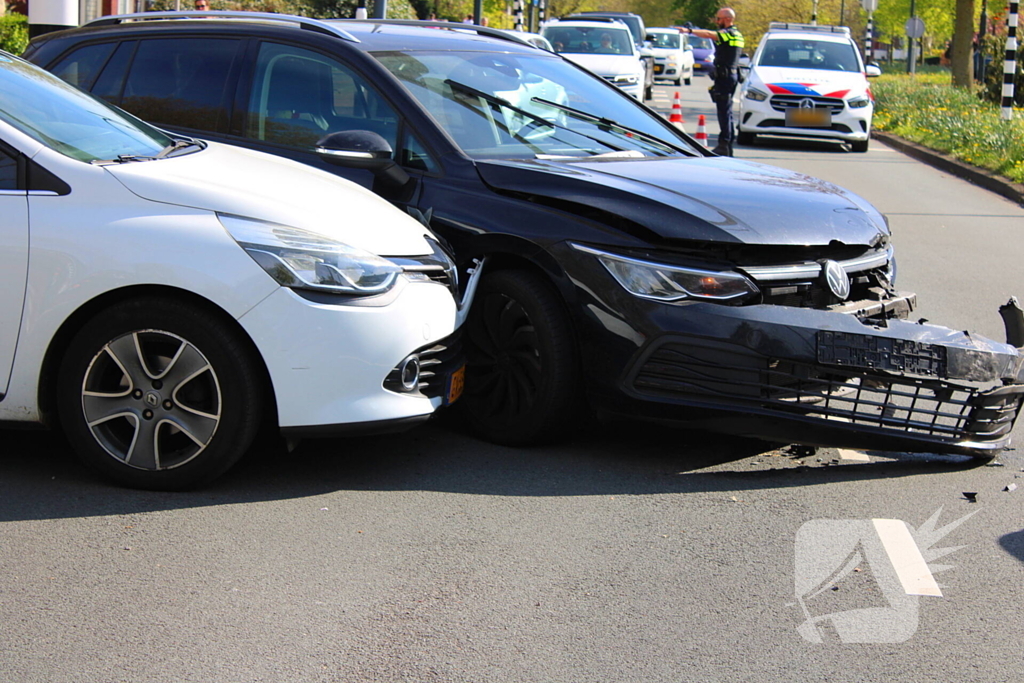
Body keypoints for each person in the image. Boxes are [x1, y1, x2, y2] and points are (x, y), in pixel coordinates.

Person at [678, 8, 744, 156]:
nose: (717, 21)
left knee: (724, 112)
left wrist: (688, 31)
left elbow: (709, 34)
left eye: (719, 19)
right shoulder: (738, 34)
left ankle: (725, 145)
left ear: (727, 19)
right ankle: (726, 145)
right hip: (730, 76)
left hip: (725, 77)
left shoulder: (729, 34)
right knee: (726, 112)